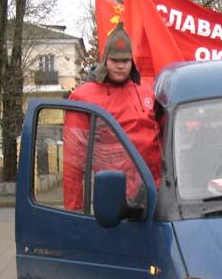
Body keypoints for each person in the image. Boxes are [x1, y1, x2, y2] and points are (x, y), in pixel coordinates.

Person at [63, 23, 162, 211]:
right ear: (104, 60)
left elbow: (163, 138)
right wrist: (75, 211)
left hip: (154, 193)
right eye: (114, 60)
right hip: (114, 196)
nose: (120, 65)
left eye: (125, 60)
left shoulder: (146, 91)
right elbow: (73, 160)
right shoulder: (84, 97)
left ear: (132, 61)